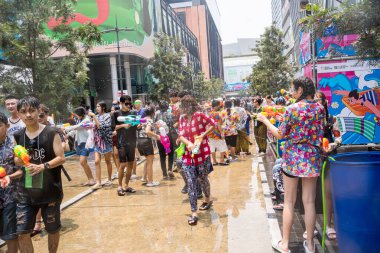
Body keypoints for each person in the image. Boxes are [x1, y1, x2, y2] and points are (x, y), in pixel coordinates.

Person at [257, 77, 326, 253]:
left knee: (289, 201)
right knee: (309, 202)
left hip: (293, 159)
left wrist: (265, 120)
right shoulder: (319, 108)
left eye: (293, 89)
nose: (291, 92)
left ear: (301, 90)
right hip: (311, 158)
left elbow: (280, 134)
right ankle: (310, 245)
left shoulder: (292, 109)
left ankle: (285, 244)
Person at [14, 96, 66, 253]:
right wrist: (20, 159)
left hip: (50, 190)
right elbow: (16, 160)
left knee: (52, 229)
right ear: (19, 114)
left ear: (38, 111)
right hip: (25, 191)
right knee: (22, 232)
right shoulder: (18, 135)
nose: (28, 115)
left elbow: (61, 157)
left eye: (32, 111)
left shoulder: (51, 133)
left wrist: (43, 166)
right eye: (23, 112)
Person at [178, 95, 215, 226]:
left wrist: (202, 135)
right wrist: (188, 143)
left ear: (191, 105)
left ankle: (207, 199)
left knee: (203, 178)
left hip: (202, 154)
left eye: (184, 105)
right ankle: (193, 212)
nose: (182, 108)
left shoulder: (199, 115)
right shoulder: (182, 118)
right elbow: (181, 134)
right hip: (188, 156)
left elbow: (213, 124)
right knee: (191, 182)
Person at [0, 112, 22, 253]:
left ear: (7, 126)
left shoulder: (15, 146)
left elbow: (22, 171)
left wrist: (9, 177)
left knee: (11, 235)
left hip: (10, 197)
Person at [111, 95, 138, 196]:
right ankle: (119, 186)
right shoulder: (116, 114)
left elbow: (137, 126)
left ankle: (126, 185)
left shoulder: (133, 113)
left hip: (132, 141)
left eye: (129, 103)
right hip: (121, 142)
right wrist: (123, 125)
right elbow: (113, 127)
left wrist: (138, 125)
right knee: (122, 164)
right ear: (121, 103)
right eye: (126, 103)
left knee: (131, 164)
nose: (128, 105)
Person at [65, 107, 95, 186]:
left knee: (82, 161)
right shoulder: (80, 120)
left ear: (81, 114)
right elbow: (76, 130)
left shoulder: (86, 120)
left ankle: (91, 179)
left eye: (77, 115)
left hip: (85, 142)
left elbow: (77, 127)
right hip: (80, 142)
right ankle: (90, 179)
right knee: (83, 163)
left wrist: (65, 128)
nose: (76, 116)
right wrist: (68, 135)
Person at [88, 102, 113, 189]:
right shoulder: (96, 116)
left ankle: (109, 179)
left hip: (106, 141)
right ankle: (98, 182)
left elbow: (101, 127)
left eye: (99, 106)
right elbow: (94, 127)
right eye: (96, 106)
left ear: (103, 107)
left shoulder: (107, 116)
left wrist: (94, 117)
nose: (97, 108)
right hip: (97, 141)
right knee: (96, 161)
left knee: (107, 161)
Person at [137, 106, 160, 187]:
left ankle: (144, 178)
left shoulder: (142, 119)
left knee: (147, 159)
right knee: (150, 162)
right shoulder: (150, 120)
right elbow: (147, 131)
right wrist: (156, 136)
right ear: (153, 113)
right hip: (146, 141)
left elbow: (139, 128)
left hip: (139, 141)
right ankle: (150, 182)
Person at [154, 100, 176, 179]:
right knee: (170, 153)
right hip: (168, 135)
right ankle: (170, 169)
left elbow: (154, 124)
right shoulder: (170, 114)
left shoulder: (156, 114)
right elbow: (172, 124)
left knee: (162, 155)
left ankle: (164, 174)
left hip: (159, 136)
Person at [208, 100, 229, 165]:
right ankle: (221, 160)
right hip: (217, 133)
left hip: (210, 133)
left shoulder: (209, 113)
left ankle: (214, 161)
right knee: (222, 146)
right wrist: (222, 133)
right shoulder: (216, 114)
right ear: (216, 106)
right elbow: (218, 124)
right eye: (218, 106)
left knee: (212, 147)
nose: (219, 107)